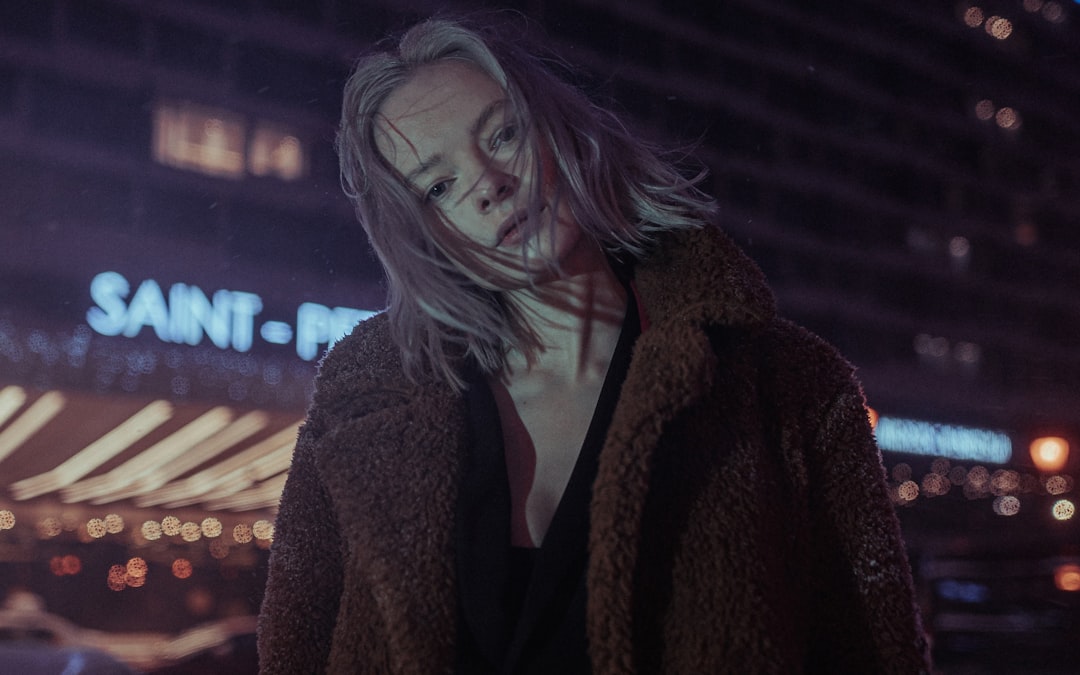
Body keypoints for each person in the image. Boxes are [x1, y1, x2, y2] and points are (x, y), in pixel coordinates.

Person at [257, 16, 931, 674]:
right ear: (419, 235)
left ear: (565, 134)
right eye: (438, 185)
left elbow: (875, 648)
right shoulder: (364, 403)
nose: (489, 183)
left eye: (504, 135)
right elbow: (295, 648)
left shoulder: (786, 384)